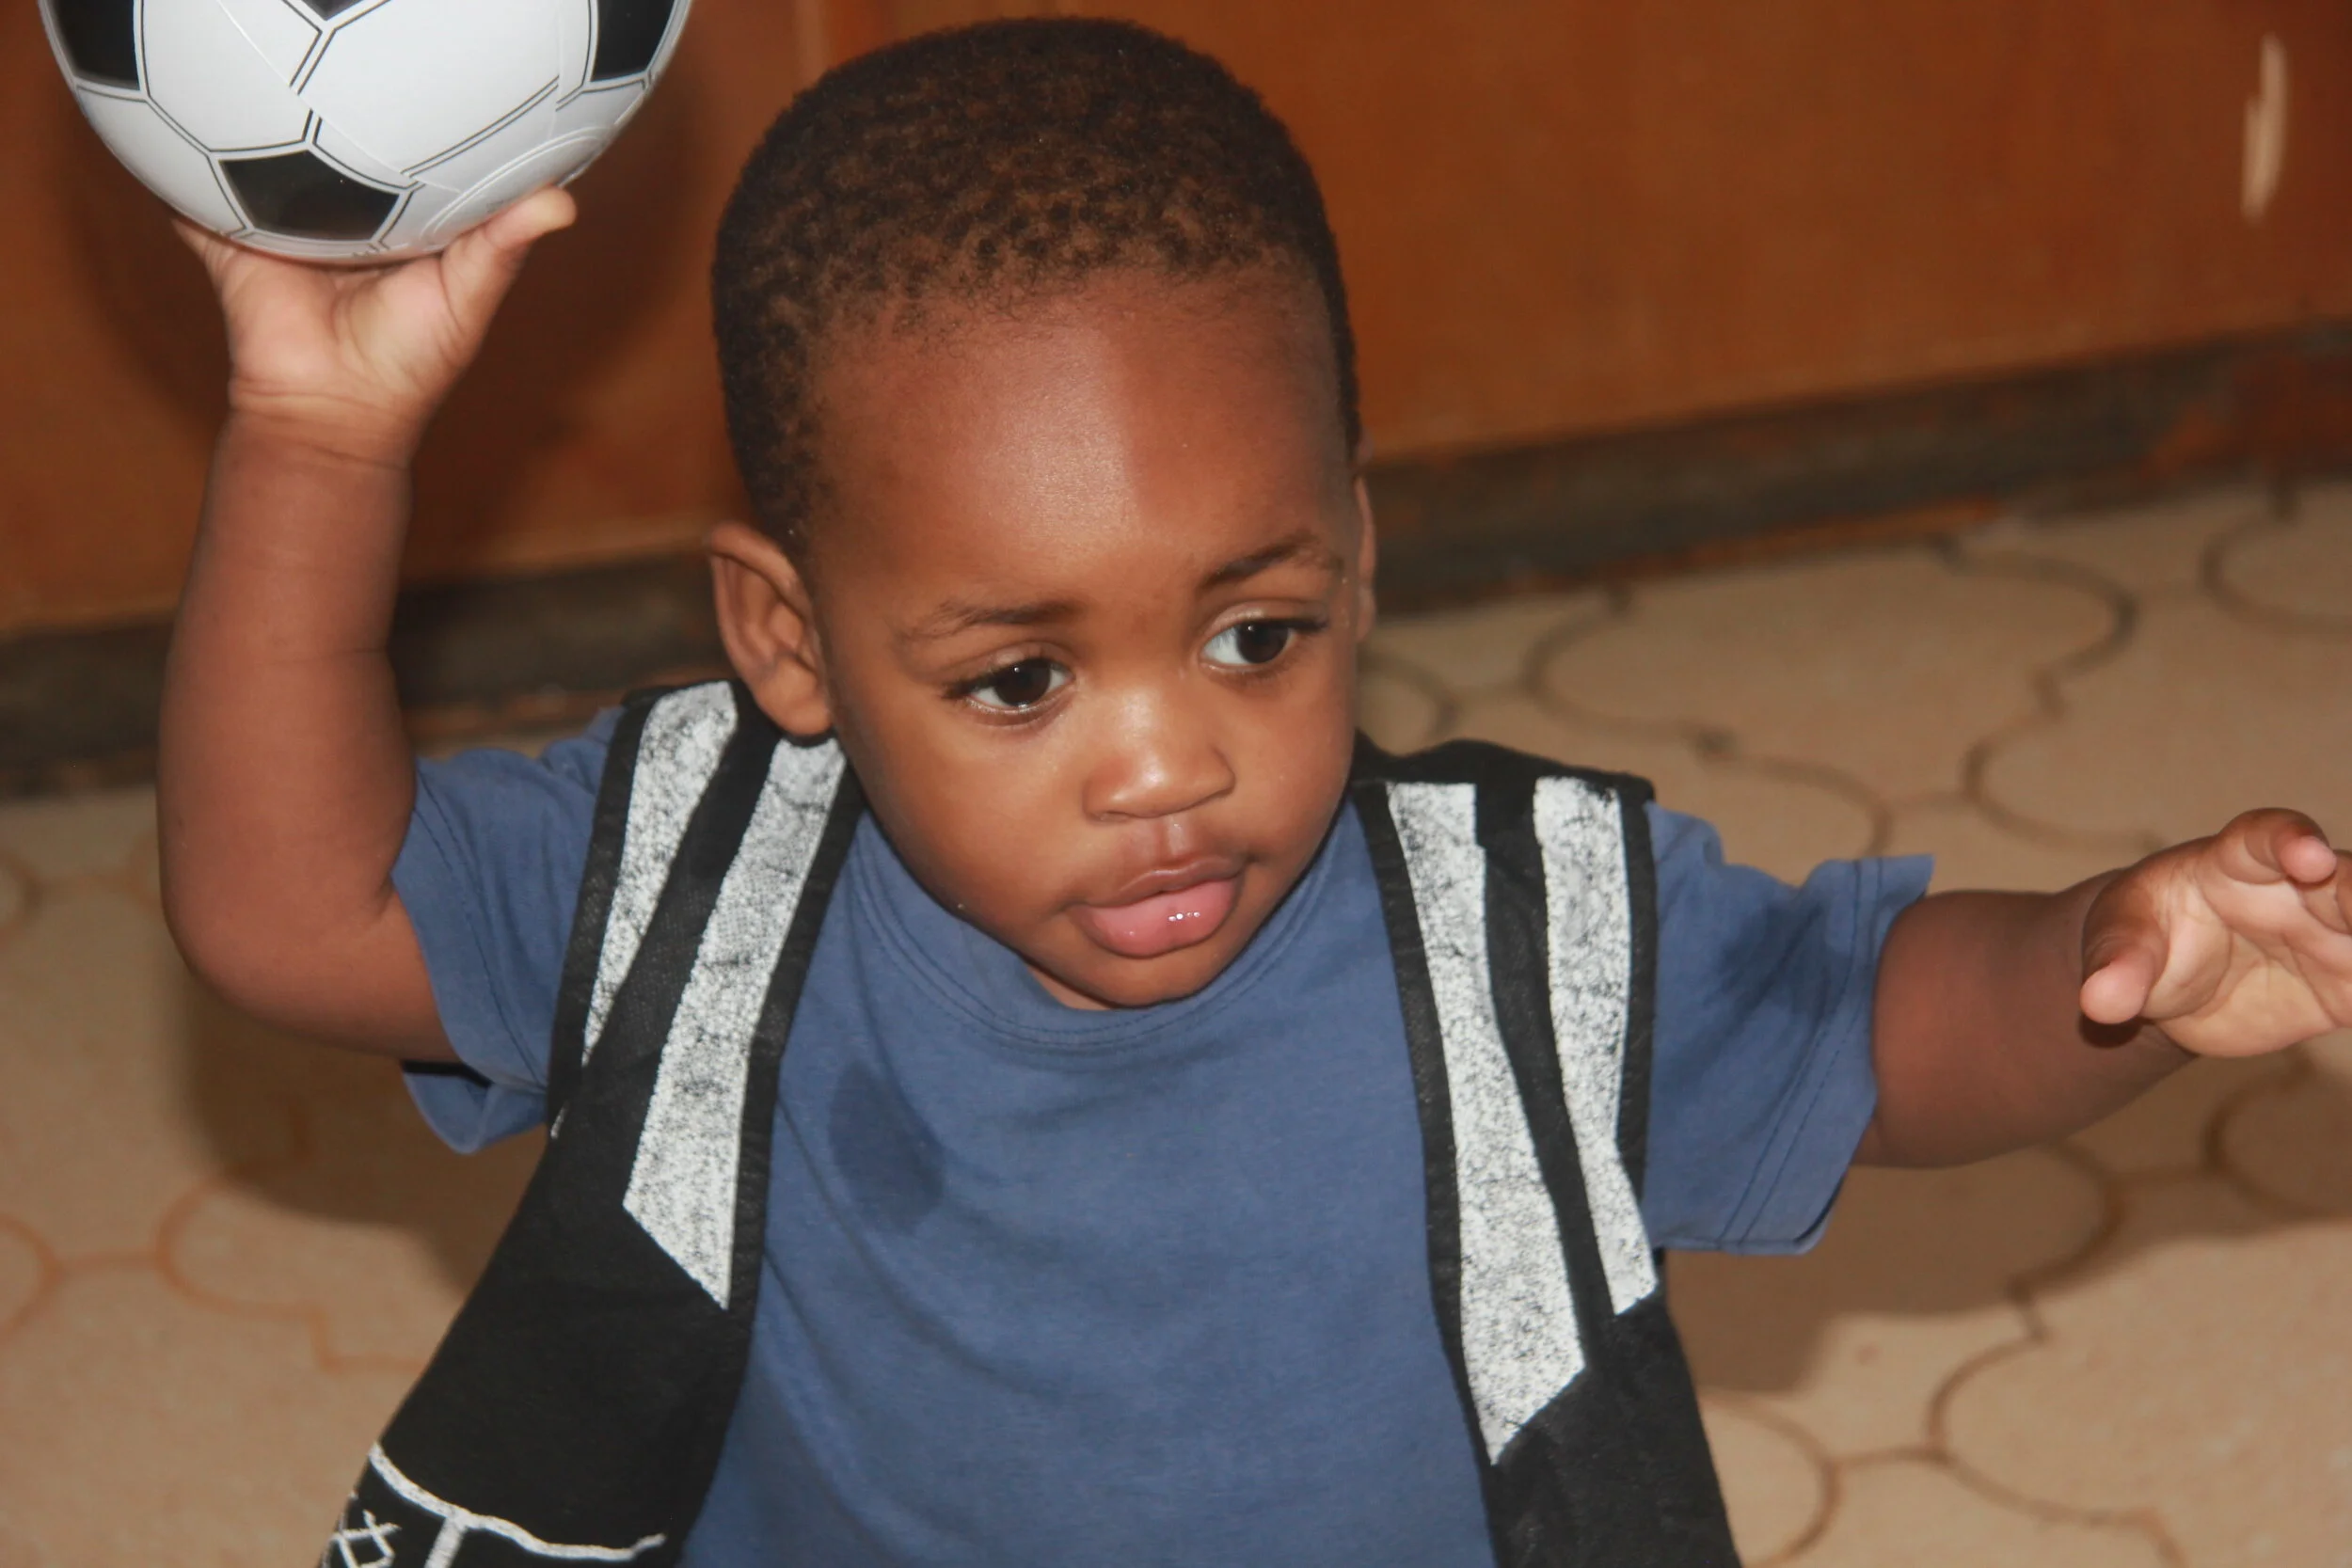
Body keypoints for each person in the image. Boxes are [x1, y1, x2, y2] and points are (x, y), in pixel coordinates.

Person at [157, 19, 2352, 1568]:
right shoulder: (685, 880)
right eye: (1018, 673)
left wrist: (2110, 963)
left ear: (1360, 557)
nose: (1166, 759)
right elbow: (292, 911)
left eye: (1255, 630)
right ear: (789, 643)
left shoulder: (1505, 934)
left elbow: (1865, 1018)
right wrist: (323, 443)